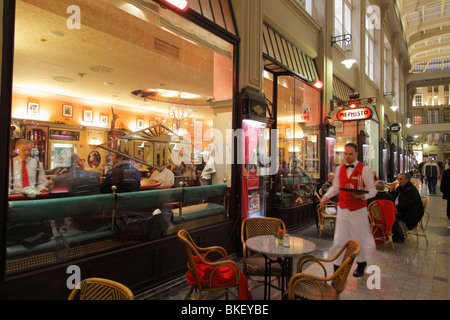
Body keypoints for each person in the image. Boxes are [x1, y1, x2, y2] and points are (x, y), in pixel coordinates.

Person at [320, 143, 376, 278]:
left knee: (359, 238)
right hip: (343, 208)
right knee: (339, 240)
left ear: (356, 154)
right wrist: (326, 197)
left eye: (350, 154)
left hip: (358, 210)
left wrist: (363, 195)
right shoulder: (339, 169)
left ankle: (361, 263)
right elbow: (335, 187)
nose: (347, 157)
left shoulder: (365, 169)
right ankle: (337, 271)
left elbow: (373, 190)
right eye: (345, 154)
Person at [389, 173, 424, 242]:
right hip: (403, 209)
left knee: (392, 215)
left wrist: (393, 209)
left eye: (401, 179)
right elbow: (393, 198)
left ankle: (399, 235)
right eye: (398, 179)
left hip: (410, 212)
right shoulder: (401, 187)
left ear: (407, 180)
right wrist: (392, 190)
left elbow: (404, 204)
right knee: (389, 213)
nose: (399, 181)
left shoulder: (411, 190)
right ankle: (394, 233)